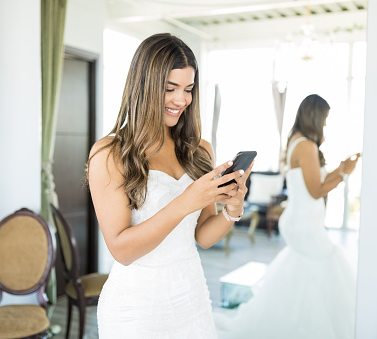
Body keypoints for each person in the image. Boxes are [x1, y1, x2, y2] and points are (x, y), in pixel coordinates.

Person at [87, 33, 253, 339]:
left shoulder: (199, 150)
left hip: (192, 298)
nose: (182, 100)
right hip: (135, 309)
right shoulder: (110, 153)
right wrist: (186, 201)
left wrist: (233, 208)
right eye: (170, 89)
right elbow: (122, 251)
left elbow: (203, 236)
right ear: (145, 86)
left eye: (188, 89)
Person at [214, 94, 360, 339]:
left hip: (301, 220)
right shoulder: (306, 146)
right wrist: (345, 174)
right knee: (325, 265)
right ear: (315, 117)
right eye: (324, 120)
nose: (325, 125)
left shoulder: (298, 141)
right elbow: (317, 190)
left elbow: (315, 181)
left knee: (304, 273)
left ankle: (295, 322)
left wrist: (341, 168)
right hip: (304, 223)